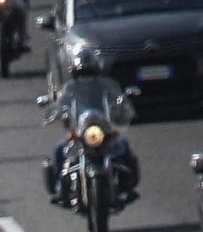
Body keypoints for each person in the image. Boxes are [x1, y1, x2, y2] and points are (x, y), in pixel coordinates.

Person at [43, 54, 139, 206]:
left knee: (123, 146)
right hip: (81, 130)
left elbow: (117, 99)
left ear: (96, 72)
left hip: (102, 128)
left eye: (88, 73)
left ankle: (128, 186)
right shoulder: (70, 89)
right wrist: (57, 112)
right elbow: (61, 104)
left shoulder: (106, 86)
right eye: (82, 74)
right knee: (59, 149)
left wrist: (121, 106)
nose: (85, 77)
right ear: (75, 73)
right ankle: (59, 189)